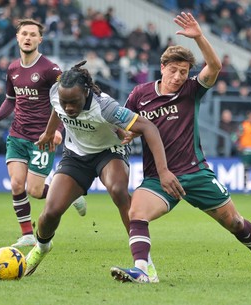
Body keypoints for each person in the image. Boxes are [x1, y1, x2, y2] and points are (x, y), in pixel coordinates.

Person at [110, 12, 251, 283]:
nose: (179, 76)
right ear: (162, 67)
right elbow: (128, 125)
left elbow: (214, 66)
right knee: (136, 212)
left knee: (235, 223)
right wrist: (128, 135)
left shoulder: (191, 90)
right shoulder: (140, 95)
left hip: (196, 173)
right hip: (160, 177)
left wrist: (199, 37)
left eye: (183, 72)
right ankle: (143, 271)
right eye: (174, 70)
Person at [23, 61, 183, 280]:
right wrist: (50, 132)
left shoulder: (105, 106)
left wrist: (163, 171)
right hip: (76, 155)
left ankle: (144, 263)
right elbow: (57, 108)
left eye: (74, 102)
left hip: (109, 152)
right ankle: (42, 248)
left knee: (118, 190)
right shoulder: (56, 92)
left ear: (86, 93)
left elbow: (148, 127)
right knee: (49, 213)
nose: (68, 107)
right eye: (65, 102)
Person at [0, 19, 86, 248]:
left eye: (32, 34)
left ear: (40, 39)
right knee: (17, 185)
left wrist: (57, 131)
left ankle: (70, 196)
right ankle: (27, 233)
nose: (28, 38)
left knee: (35, 190)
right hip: (17, 134)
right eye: (24, 34)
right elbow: (11, 99)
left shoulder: (51, 70)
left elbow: (63, 102)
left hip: (42, 138)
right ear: (17, 37)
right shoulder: (12, 68)